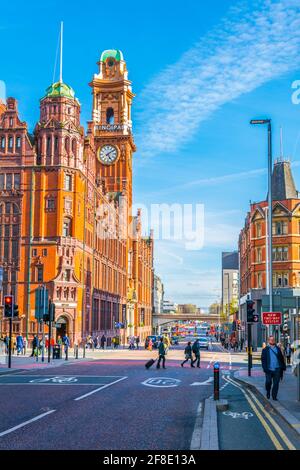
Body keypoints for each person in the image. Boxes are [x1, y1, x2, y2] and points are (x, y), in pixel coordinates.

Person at [261, 335, 286, 400]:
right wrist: (265, 368)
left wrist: (283, 367)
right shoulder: (265, 350)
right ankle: (268, 391)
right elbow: (263, 360)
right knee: (268, 382)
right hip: (268, 369)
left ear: (274, 340)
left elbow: (281, 358)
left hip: (277, 369)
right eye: (270, 339)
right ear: (268, 341)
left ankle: (274, 396)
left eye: (273, 339)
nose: (272, 341)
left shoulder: (278, 349)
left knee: (276, 384)